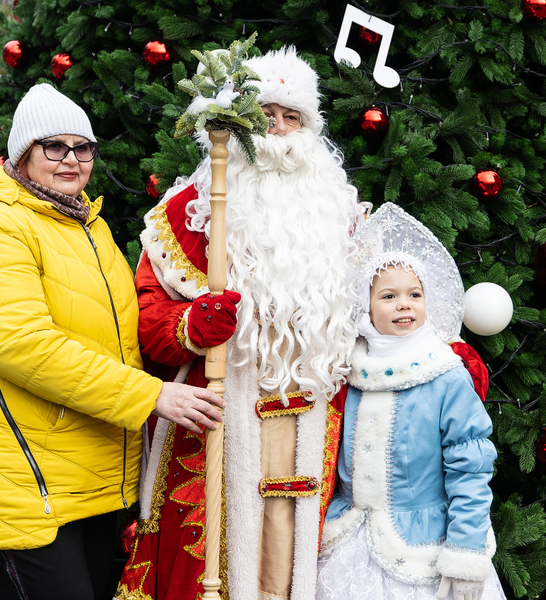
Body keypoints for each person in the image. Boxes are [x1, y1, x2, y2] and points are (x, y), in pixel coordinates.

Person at [0, 83, 225, 600]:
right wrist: (151, 396)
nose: (72, 160)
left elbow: (126, 336)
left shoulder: (89, 229)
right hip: (25, 484)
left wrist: (192, 323)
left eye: (83, 147)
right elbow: (23, 346)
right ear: (23, 156)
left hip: (92, 484)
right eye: (54, 147)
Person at [115, 48, 368, 600]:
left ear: (310, 128)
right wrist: (190, 324)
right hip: (219, 413)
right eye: (265, 115)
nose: (277, 129)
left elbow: (390, 314)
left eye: (291, 117)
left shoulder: (342, 213)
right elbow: (149, 321)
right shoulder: (188, 210)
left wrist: (437, 359)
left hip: (317, 419)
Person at [316, 203, 506, 600]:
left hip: (426, 548)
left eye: (414, 294)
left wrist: (466, 552)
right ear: (365, 306)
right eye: (388, 295)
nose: (404, 303)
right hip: (350, 538)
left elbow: (470, 468)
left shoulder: (446, 374)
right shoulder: (347, 370)